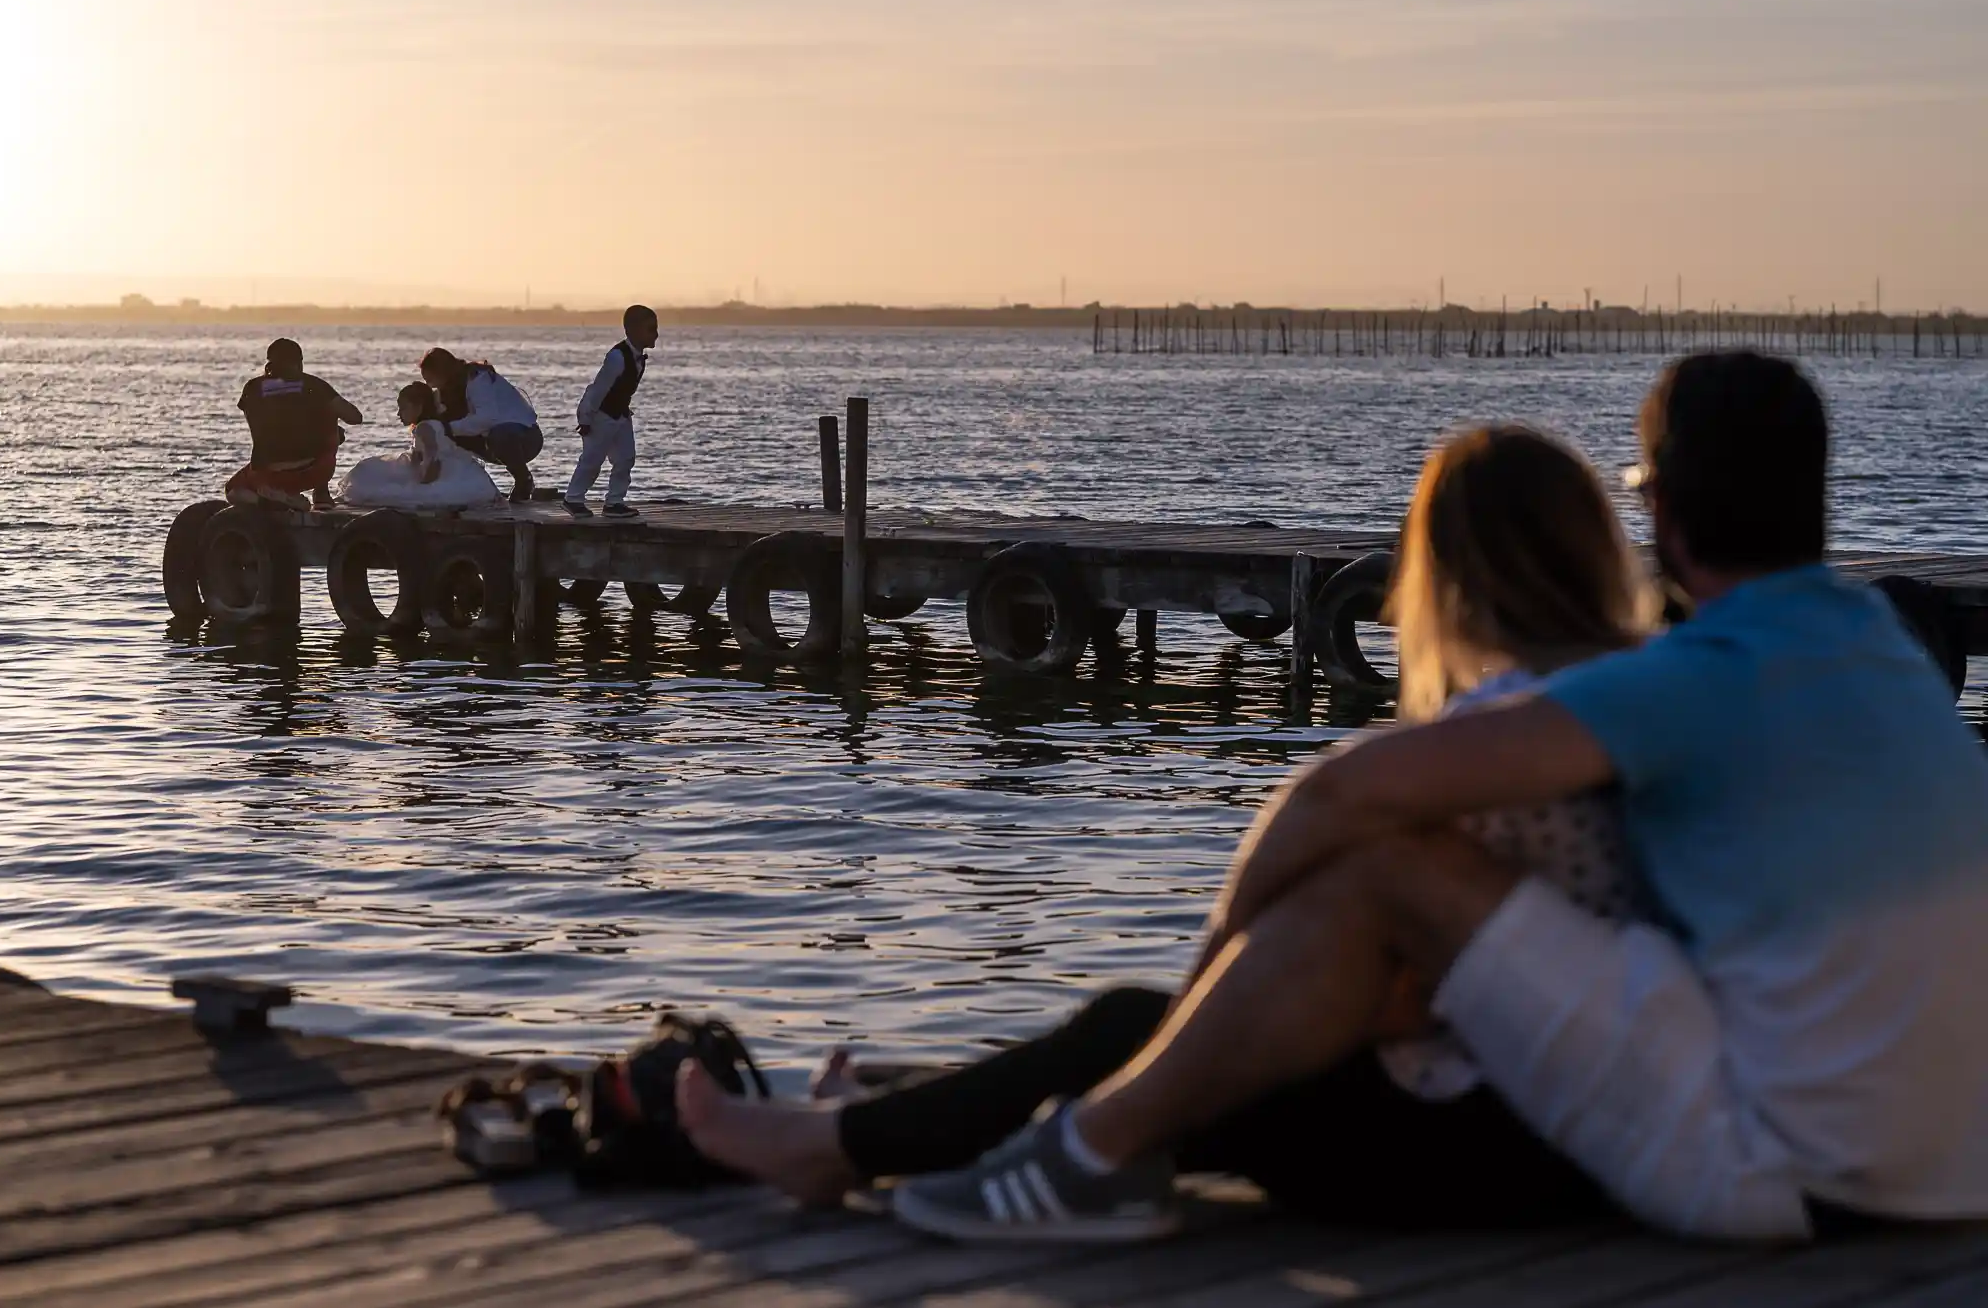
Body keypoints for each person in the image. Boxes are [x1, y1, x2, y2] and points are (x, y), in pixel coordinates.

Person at [832, 351, 1988, 1246]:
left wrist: (1198, 995)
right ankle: (1056, 1120)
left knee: (1388, 863)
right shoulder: (1879, 656)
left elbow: (1344, 790)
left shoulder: (1696, 676)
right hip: (1945, 1165)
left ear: (1664, 516)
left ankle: (1090, 1148)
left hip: (1792, 1169)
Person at [675, 425, 1658, 1233]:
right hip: (1544, 1129)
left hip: (1475, 1154)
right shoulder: (1613, 706)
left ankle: (826, 1145)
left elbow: (1405, 994)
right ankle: (870, 1122)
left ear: (1448, 573)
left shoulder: (1502, 737)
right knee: (1134, 1040)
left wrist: (1227, 1007)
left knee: (1133, 1032)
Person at [227, 337, 363, 509]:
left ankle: (269, 500)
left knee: (232, 489)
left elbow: (257, 425)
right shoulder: (314, 385)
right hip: (312, 470)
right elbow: (355, 417)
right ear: (299, 362)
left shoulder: (253, 387)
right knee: (334, 425)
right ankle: (321, 494)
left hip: (266, 472)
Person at [339, 382, 502, 509]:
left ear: (419, 406)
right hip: (454, 466)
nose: (398, 413)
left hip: (439, 470)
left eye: (403, 408)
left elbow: (432, 452)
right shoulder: (435, 424)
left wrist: (426, 478)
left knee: (366, 472)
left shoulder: (424, 427)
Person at [564, 304, 659, 519]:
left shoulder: (637, 357)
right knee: (592, 459)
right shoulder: (617, 357)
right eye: (651, 329)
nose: (656, 334)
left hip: (620, 414)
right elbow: (598, 389)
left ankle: (614, 501)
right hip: (601, 415)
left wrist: (623, 412)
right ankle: (573, 498)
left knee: (625, 457)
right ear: (633, 330)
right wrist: (586, 418)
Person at [419, 347, 543, 501]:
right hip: (491, 440)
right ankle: (458, 482)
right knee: (448, 435)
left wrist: (448, 428)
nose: (430, 386)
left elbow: (487, 419)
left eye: (430, 380)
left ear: (442, 372)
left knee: (499, 435)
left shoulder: (478, 380)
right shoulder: (449, 391)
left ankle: (524, 479)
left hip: (525, 438)